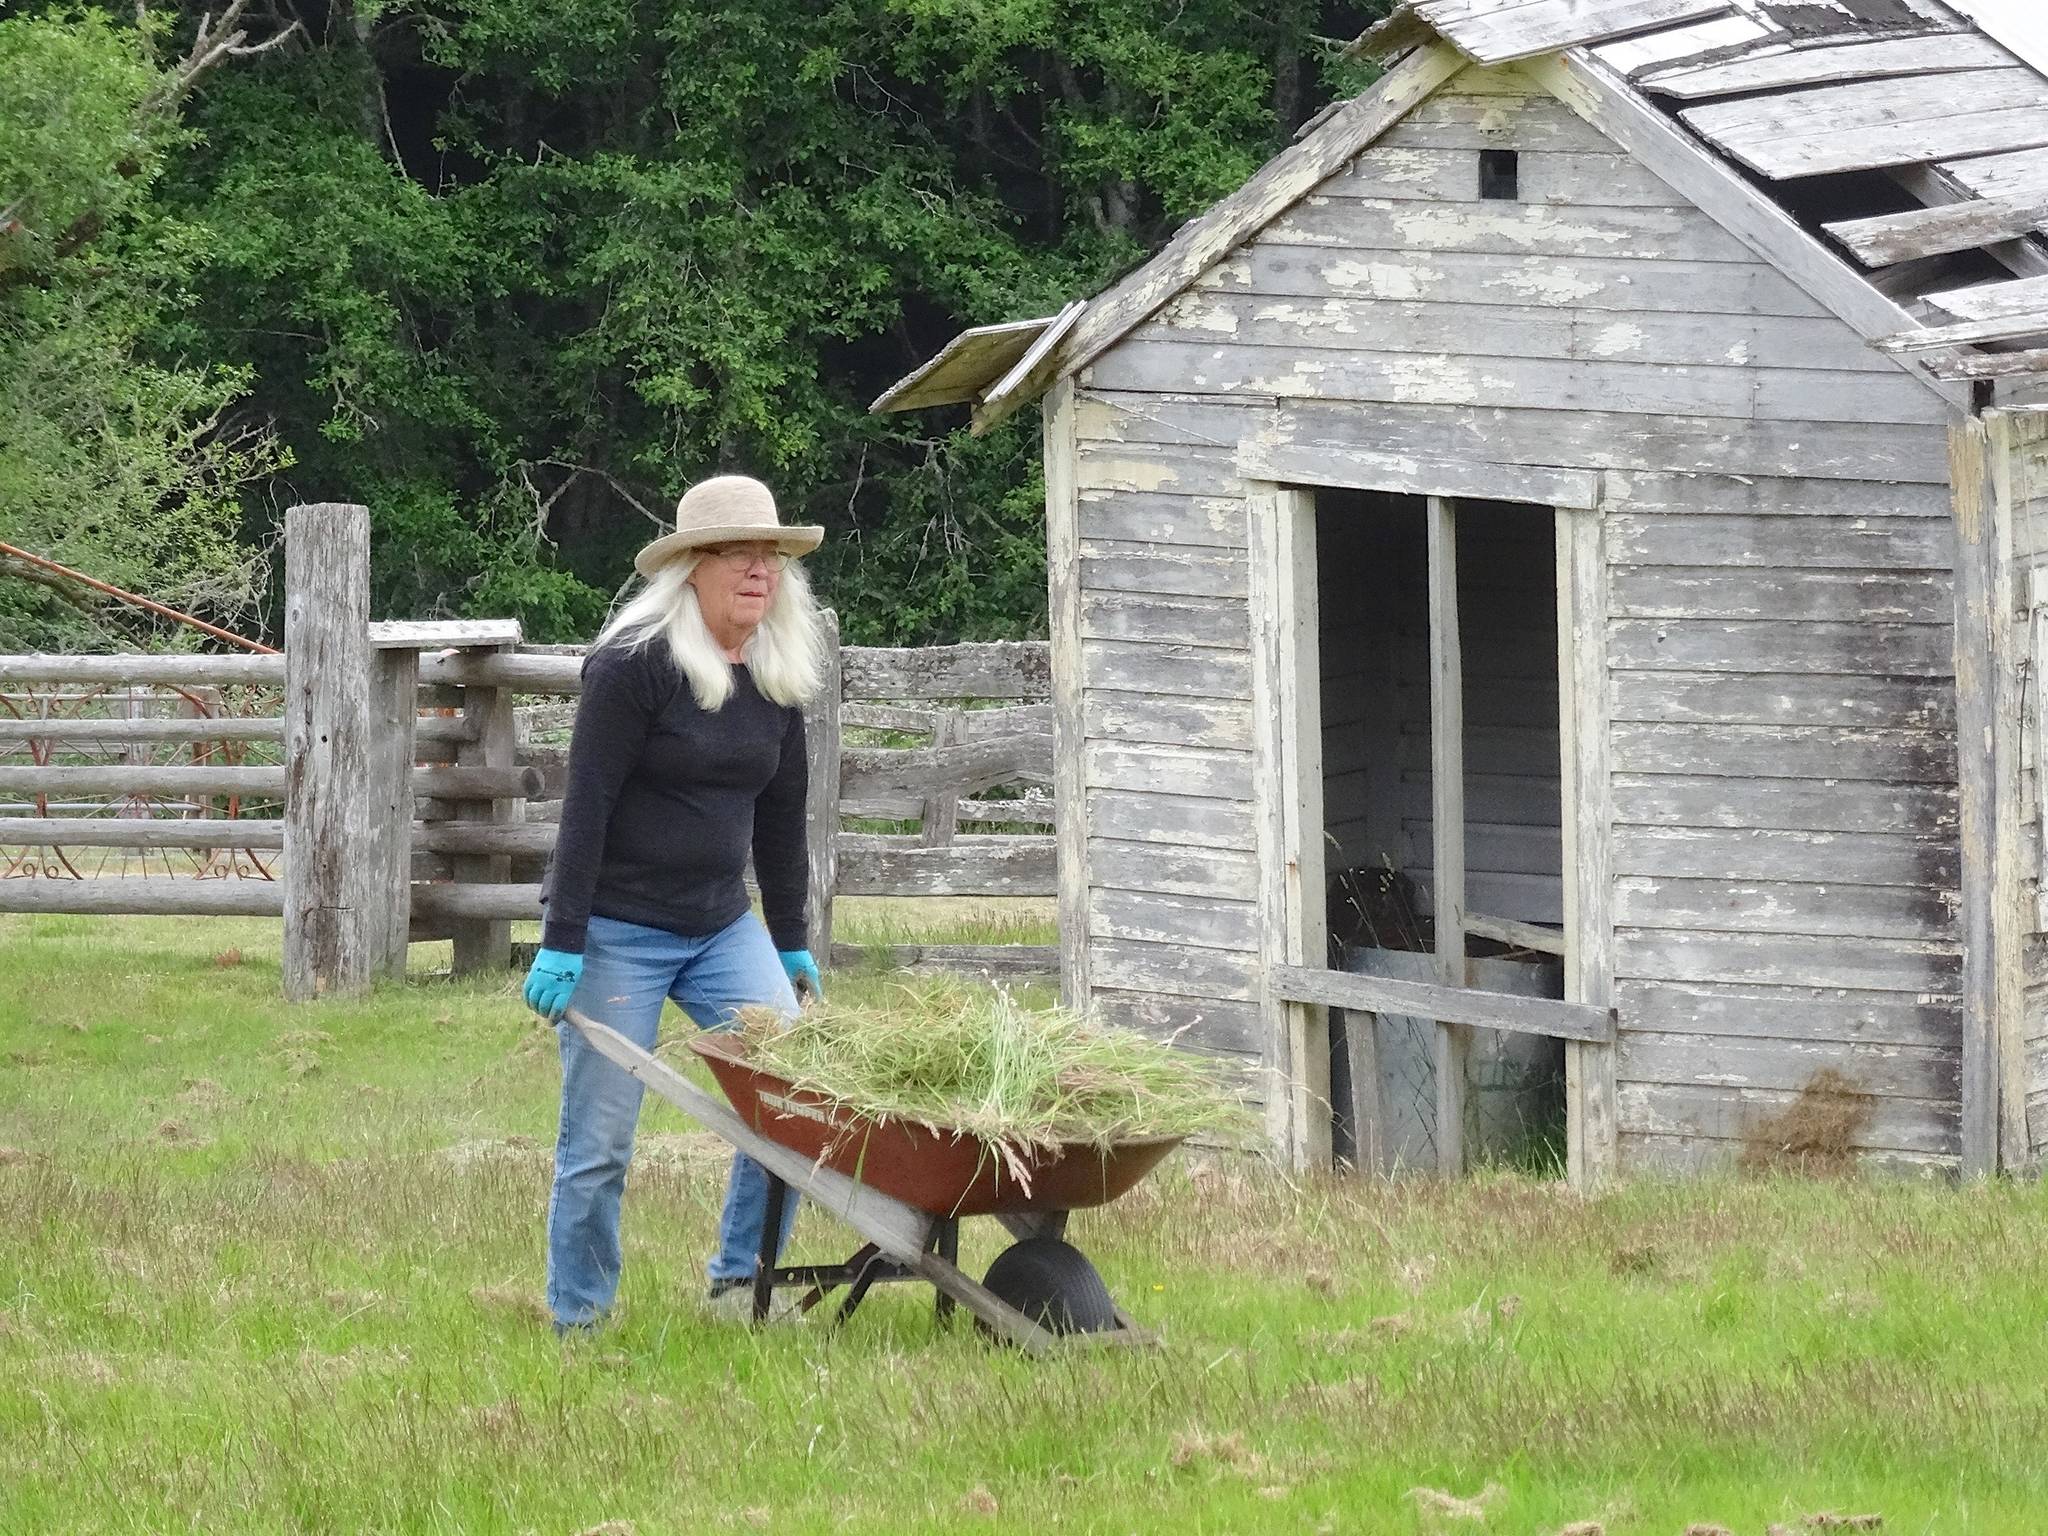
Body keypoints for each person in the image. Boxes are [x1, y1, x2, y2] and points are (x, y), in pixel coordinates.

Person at [522, 474, 828, 1331]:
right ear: (691, 568)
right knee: (601, 1143)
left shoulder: (776, 674)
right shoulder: (631, 668)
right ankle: (580, 1316)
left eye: (768, 553)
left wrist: (791, 941)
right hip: (619, 931)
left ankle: (743, 1289)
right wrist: (562, 938)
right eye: (737, 552)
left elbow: (779, 820)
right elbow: (586, 808)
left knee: (790, 1097)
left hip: (720, 927)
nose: (757, 569)